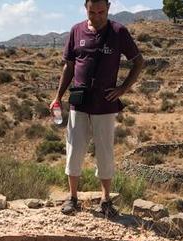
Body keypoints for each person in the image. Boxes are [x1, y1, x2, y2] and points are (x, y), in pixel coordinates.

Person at [51, 0, 145, 218]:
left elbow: (139, 61)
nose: (97, 16)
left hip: (105, 103)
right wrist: (57, 97)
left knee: (104, 152)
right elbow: (69, 66)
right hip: (79, 102)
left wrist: (123, 88)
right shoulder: (76, 30)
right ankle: (72, 198)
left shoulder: (118, 31)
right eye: (92, 12)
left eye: (101, 12)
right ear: (85, 8)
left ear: (109, 8)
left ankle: (106, 200)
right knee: (74, 150)